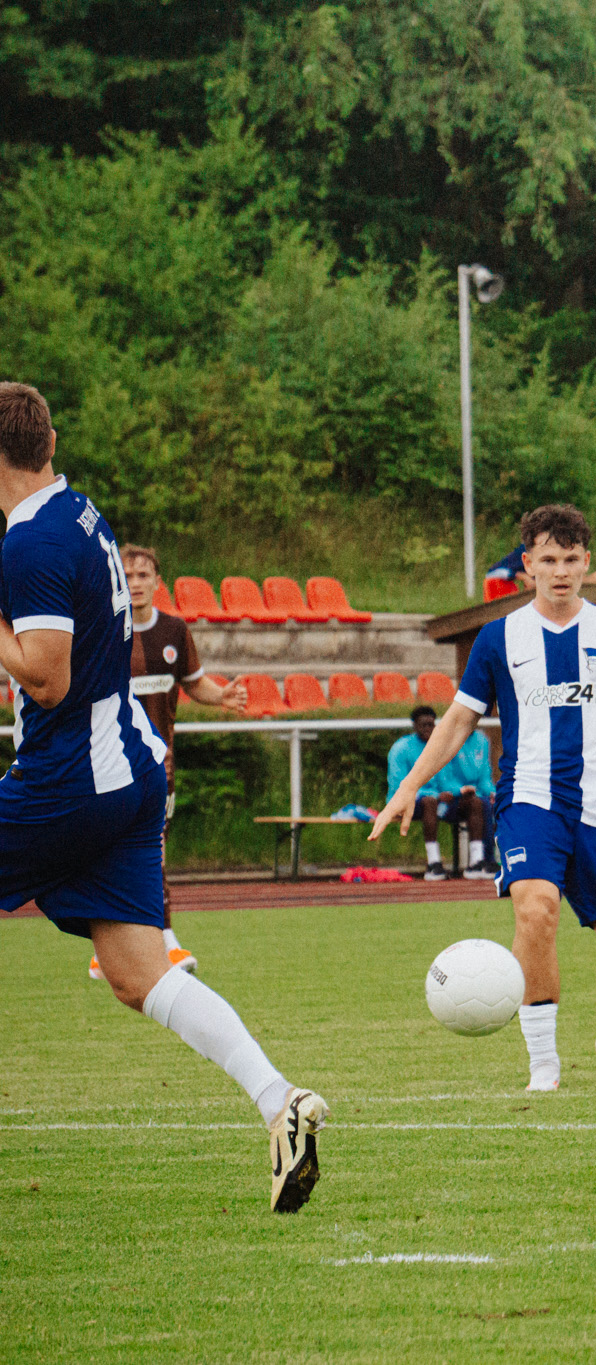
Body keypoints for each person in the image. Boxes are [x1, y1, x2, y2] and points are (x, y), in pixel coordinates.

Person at [0, 381, 327, 1211]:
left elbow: (44, 676)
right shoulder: (74, 510)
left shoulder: (32, 542)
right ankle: (279, 1100)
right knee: (136, 970)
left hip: (72, 778)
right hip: (131, 770)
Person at [371, 502, 596, 1091]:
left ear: (587, 562)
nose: (560, 571)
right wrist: (407, 788)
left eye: (570, 559)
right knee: (535, 911)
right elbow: (460, 719)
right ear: (527, 567)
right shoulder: (498, 637)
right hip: (529, 802)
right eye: (547, 560)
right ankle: (545, 1065)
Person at [84, 544, 249, 982]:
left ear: (158, 582)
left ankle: (135, 947)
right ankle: (152, 943)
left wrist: (223, 696)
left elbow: (195, 684)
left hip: (161, 768)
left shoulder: (174, 630)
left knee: (151, 851)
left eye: (143, 575)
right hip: (110, 765)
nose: (135, 583)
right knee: (115, 854)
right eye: (128, 575)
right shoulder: (102, 628)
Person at [385, 705, 491, 879]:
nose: (428, 729)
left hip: (438, 802)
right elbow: (398, 787)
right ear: (415, 725)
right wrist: (436, 796)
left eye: (431, 724)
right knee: (429, 802)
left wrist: (457, 791)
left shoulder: (440, 746)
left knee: (475, 802)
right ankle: (434, 864)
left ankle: (477, 862)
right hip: (410, 802)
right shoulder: (401, 748)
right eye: (423, 725)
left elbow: (447, 781)